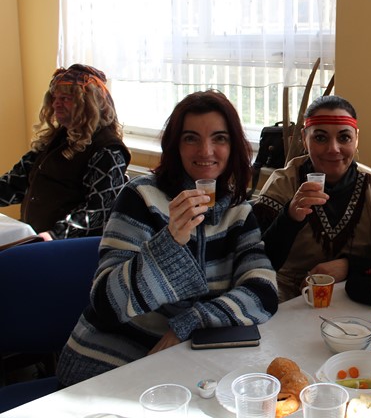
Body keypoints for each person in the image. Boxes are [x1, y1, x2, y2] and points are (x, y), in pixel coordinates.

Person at [56, 90, 278, 386]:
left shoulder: (238, 212)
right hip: (107, 364)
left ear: (233, 146)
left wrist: (189, 322)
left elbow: (262, 290)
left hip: (181, 363)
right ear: (176, 146)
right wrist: (171, 241)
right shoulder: (141, 197)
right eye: (191, 138)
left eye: (219, 138)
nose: (206, 151)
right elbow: (106, 304)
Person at [252, 95, 371, 303]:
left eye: (344, 138)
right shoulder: (283, 185)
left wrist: (350, 266)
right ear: (304, 138)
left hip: (355, 296)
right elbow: (254, 261)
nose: (333, 149)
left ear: (356, 138)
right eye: (320, 138)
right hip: (288, 296)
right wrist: (289, 217)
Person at [0, 64, 130, 240]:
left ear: (89, 103)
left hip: (68, 248)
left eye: (65, 98)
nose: (56, 104)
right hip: (36, 238)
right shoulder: (57, 138)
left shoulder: (108, 149)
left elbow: (98, 210)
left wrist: (55, 235)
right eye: (54, 97)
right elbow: (15, 183)